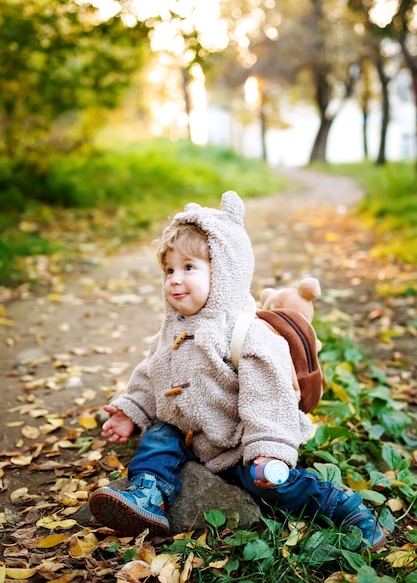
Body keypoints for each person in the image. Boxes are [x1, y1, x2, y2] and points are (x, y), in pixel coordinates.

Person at [89, 191, 386, 551]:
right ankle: (149, 494)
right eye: (169, 270)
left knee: (270, 484)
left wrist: (268, 448)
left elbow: (270, 395)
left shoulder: (245, 333)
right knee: (157, 440)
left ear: (224, 273)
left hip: (237, 440)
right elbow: (151, 372)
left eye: (189, 268)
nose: (174, 279)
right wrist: (131, 411)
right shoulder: (172, 329)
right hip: (188, 433)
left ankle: (343, 507)